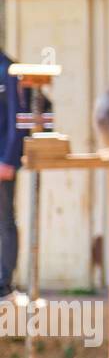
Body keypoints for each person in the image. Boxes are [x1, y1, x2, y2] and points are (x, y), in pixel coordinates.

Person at [0, 48, 30, 299]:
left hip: (2, 163)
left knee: (5, 220)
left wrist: (9, 159)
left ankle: (4, 284)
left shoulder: (9, 70)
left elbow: (20, 118)